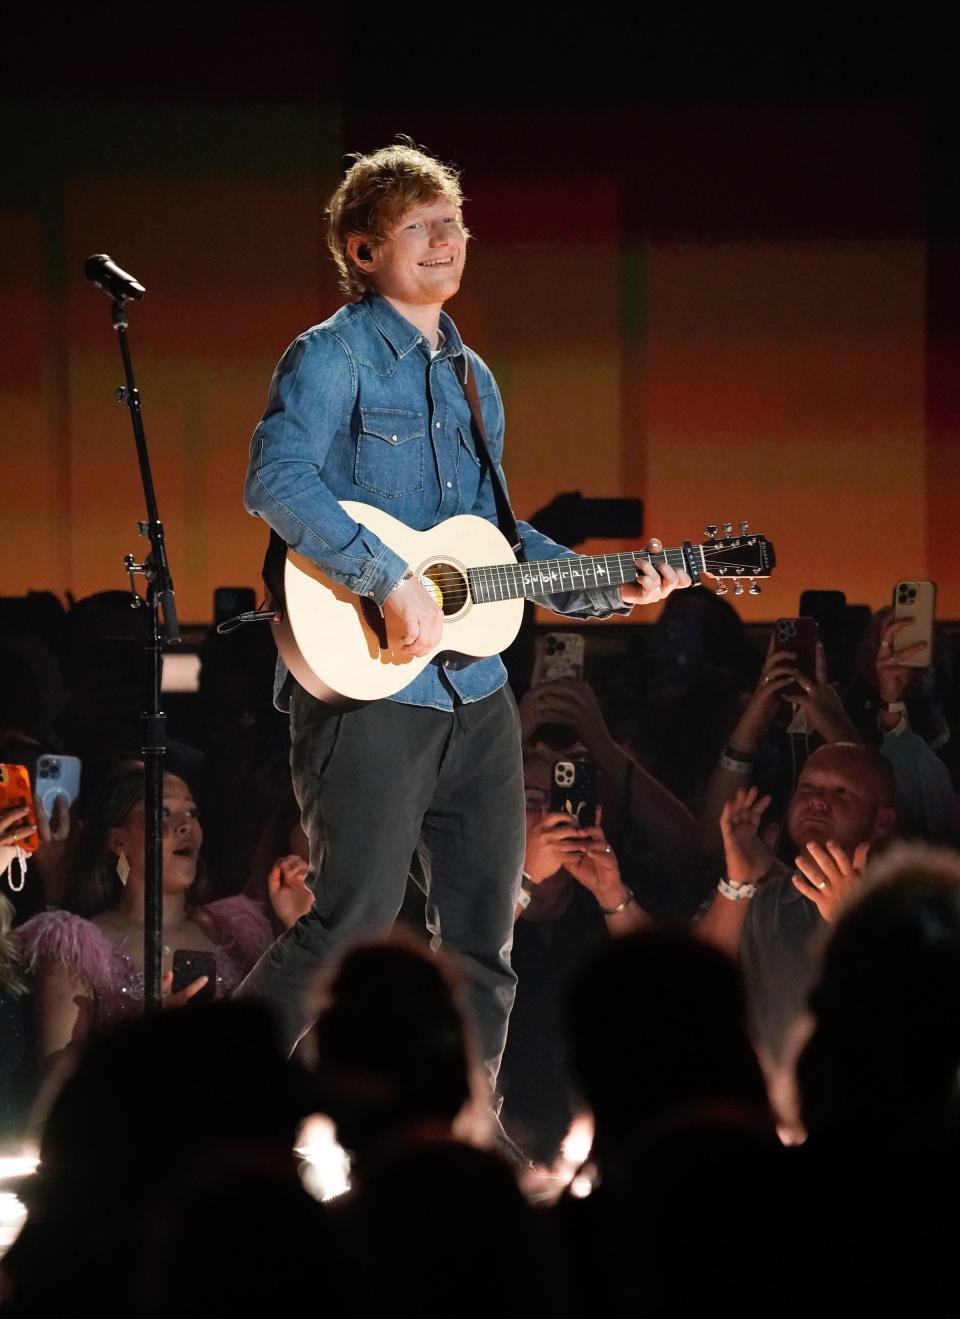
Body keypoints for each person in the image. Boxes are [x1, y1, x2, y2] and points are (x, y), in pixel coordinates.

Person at [236, 141, 688, 1079]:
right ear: (364, 252)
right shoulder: (331, 357)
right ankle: (203, 1097)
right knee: (349, 926)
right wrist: (385, 576)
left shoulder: (474, 379)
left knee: (485, 942)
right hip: (368, 687)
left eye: (454, 223)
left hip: (474, 691)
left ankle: (462, 1132)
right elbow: (276, 478)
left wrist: (613, 583)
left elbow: (491, 541)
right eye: (420, 226)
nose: (446, 240)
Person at [16, 763, 311, 1061]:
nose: (186, 825)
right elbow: (56, 1085)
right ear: (118, 841)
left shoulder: (241, 930)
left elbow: (298, 1042)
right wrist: (144, 1034)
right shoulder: (74, 948)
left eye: (192, 813)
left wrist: (300, 928)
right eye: (164, 814)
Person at [697, 742, 898, 1068]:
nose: (817, 800)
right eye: (807, 787)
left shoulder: (915, 904)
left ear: (882, 822)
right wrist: (738, 880)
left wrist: (854, 923)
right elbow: (689, 983)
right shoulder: (763, 898)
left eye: (842, 792)